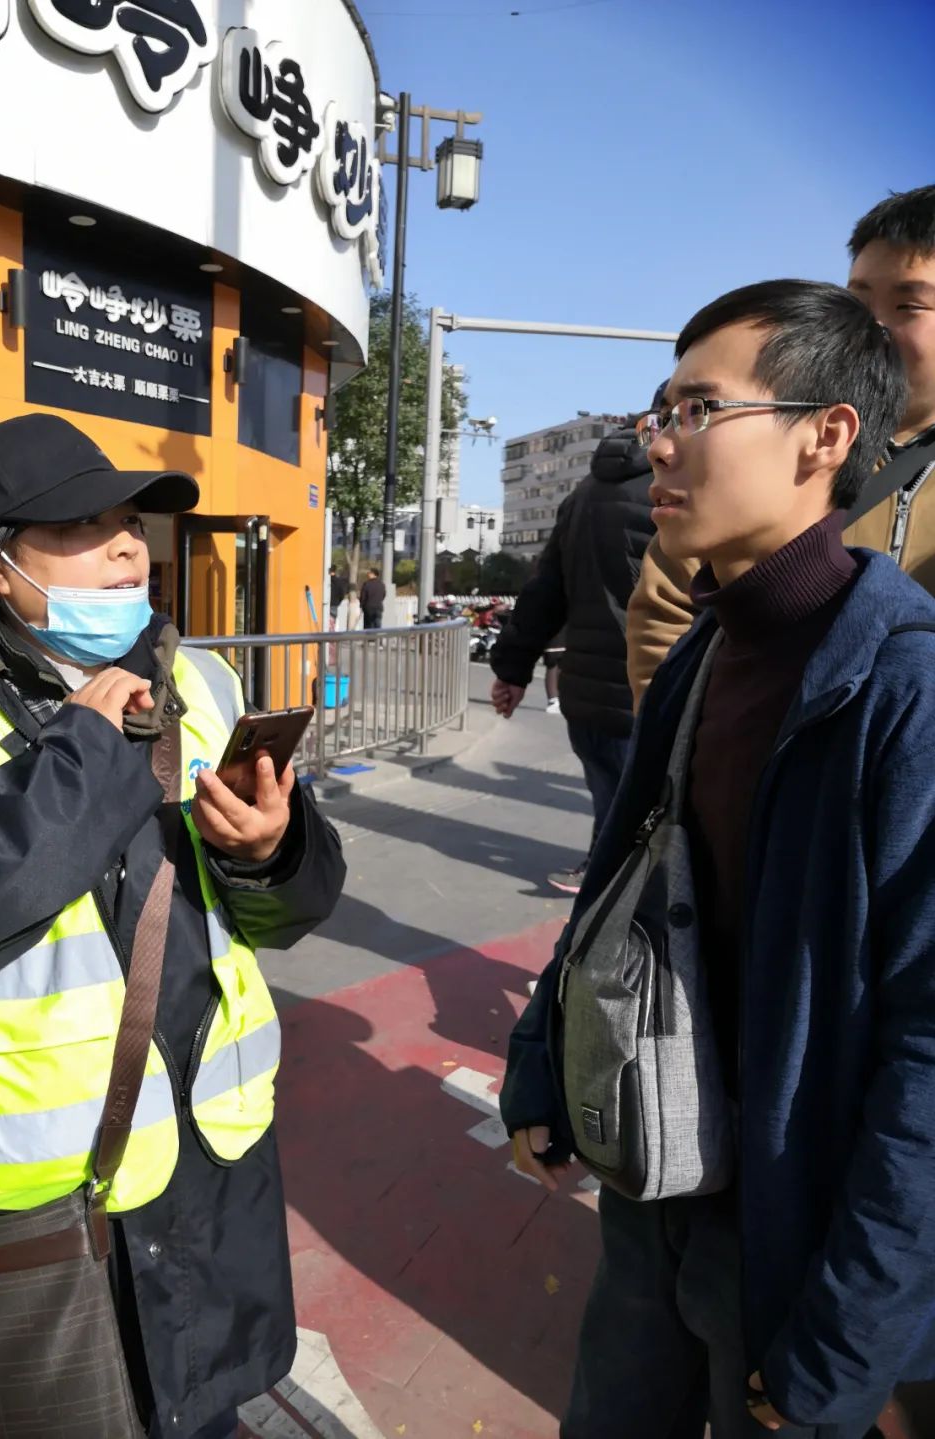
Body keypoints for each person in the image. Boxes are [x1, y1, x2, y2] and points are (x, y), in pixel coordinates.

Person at [0, 414, 346, 1439]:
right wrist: (83, 748)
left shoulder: (201, 678)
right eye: (83, 523)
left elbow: (292, 913)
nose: (129, 545)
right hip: (32, 1199)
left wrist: (271, 851)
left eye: (130, 519)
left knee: (207, 1415)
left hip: (210, 1171)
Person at [502, 280, 935, 1438]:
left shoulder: (906, 691)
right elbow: (621, 883)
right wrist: (541, 1058)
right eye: (659, 410)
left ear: (826, 436)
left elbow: (928, 1051)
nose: (659, 444)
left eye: (698, 409)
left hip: (791, 1243)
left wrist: (843, 1345)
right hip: (654, 1187)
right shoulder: (701, 658)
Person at [627, 183, 935, 707]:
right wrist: (685, 756)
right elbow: (664, 613)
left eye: (908, 304)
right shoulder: (770, 447)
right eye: (857, 302)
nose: (876, 328)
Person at [490, 413, 657, 893]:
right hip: (648, 690)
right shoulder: (677, 490)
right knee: (649, 816)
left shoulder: (581, 495)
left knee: (610, 797)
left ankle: (601, 875)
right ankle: (616, 898)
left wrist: (512, 670)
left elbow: (542, 592)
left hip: (584, 694)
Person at [328, 565, 349, 629]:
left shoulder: (325, 580)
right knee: (332, 624)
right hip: (334, 604)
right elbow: (342, 594)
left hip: (323, 603)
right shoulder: (339, 582)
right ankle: (331, 637)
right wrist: (338, 601)